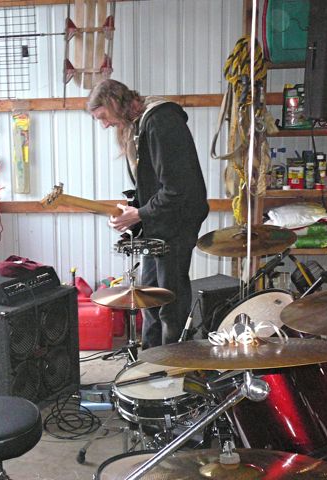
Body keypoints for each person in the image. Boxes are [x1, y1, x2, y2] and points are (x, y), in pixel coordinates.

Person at [87, 79, 209, 348]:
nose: (105, 125)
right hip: (160, 222)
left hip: (176, 224)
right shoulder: (140, 125)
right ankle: (149, 362)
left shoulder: (161, 122)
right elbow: (154, 185)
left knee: (169, 301)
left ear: (113, 103)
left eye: (104, 117)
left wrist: (139, 214)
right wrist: (132, 210)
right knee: (148, 298)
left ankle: (173, 365)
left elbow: (176, 189)